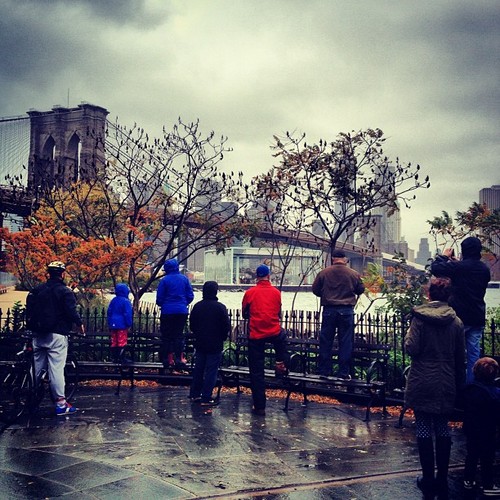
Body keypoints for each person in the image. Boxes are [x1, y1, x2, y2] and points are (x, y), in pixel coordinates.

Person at [404, 277, 466, 499]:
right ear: (448, 296)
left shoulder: (419, 319)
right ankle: (442, 478)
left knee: (422, 427)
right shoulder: (456, 322)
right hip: (445, 379)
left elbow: (411, 348)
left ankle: (427, 477)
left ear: (429, 294)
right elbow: (461, 357)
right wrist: (459, 382)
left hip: (422, 378)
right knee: (442, 427)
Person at [25, 261, 85, 416]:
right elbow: (70, 311)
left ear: (48, 274)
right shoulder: (65, 292)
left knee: (37, 367)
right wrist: (79, 323)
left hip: (38, 333)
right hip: (57, 335)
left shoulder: (37, 290)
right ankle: (60, 403)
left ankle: (29, 395)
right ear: (62, 274)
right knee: (56, 369)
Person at [430, 236, 491, 383]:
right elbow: (468, 272)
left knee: (451, 353)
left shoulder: (460, 268)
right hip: (477, 317)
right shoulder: (484, 269)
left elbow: (436, 269)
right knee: (473, 357)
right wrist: (459, 264)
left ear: (463, 251)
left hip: (459, 318)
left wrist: (444, 256)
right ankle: (471, 390)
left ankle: (453, 387)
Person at [242, 264, 288, 416]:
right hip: (274, 331)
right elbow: (278, 311)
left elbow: (244, 313)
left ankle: (259, 405)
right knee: (282, 337)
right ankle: (280, 361)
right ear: (268, 276)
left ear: (257, 277)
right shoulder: (276, 293)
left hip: (256, 334)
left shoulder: (250, 293)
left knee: (256, 371)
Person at [312, 249, 365, 380]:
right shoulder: (354, 274)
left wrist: (326, 295)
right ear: (345, 259)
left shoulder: (323, 273)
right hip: (346, 310)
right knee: (345, 341)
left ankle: (324, 371)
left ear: (333, 259)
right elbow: (360, 290)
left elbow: (315, 290)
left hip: (329, 310)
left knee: (326, 341)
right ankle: (343, 372)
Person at [462, 357, 500, 496]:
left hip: (471, 428)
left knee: (471, 455)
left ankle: (468, 480)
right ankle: (488, 484)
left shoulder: (468, 389)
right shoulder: (495, 394)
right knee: (487, 458)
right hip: (487, 431)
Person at [189, 281, 230, 407]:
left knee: (199, 369)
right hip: (215, 343)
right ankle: (206, 397)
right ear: (216, 292)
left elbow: (192, 325)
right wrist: (222, 337)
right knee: (211, 371)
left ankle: (195, 394)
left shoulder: (197, 306)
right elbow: (226, 326)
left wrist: (198, 334)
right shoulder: (220, 307)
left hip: (200, 342)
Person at [156, 258, 194, 372]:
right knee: (178, 336)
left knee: (166, 336)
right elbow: (190, 296)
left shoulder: (164, 281)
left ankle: (166, 360)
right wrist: (183, 303)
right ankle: (178, 359)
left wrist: (165, 303)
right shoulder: (184, 279)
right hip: (181, 311)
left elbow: (159, 299)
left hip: (167, 311)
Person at [107, 283, 133, 364]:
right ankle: (121, 358)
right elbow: (127, 314)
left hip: (113, 325)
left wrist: (110, 322)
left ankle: (114, 358)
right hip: (122, 325)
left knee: (114, 341)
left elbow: (109, 312)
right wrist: (129, 324)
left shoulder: (113, 301)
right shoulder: (126, 301)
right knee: (122, 341)